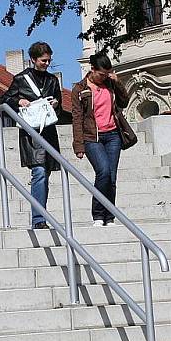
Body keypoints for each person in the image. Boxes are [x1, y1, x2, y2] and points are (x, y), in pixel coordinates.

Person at [1, 42, 62, 229]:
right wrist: (19, 100)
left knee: (46, 174)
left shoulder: (52, 80)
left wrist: (56, 103)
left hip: (48, 130)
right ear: (34, 59)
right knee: (39, 172)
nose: (46, 63)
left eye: (49, 60)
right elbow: (5, 99)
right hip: (31, 132)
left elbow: (59, 102)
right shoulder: (21, 79)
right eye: (43, 60)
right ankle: (38, 219)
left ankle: (40, 214)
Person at [71, 52, 135, 227]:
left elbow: (124, 102)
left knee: (112, 177)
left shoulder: (111, 85)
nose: (104, 77)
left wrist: (118, 82)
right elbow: (77, 118)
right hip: (92, 137)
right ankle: (98, 214)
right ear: (92, 69)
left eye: (107, 74)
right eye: (101, 74)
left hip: (113, 134)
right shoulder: (80, 88)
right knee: (104, 172)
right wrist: (78, 145)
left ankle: (110, 216)